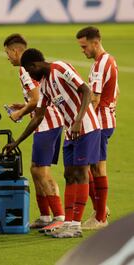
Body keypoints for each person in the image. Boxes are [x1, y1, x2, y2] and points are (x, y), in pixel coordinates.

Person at [3, 48, 101, 238]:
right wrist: (17, 141)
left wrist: (79, 120)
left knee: (80, 173)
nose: (30, 76)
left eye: (29, 72)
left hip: (86, 127)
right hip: (70, 132)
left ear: (34, 65)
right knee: (68, 174)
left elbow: (86, 90)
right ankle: (69, 223)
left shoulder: (60, 67)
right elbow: (38, 116)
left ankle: (75, 226)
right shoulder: (46, 85)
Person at [3, 34, 65, 233]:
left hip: (47, 123)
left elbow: (37, 99)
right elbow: (38, 97)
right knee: (35, 169)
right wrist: (23, 105)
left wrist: (19, 113)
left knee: (41, 170)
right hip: (49, 122)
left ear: (15, 51)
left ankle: (59, 217)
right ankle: (46, 216)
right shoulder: (29, 68)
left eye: (7, 53)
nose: (7, 58)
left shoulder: (25, 69)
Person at [76, 26, 119, 229]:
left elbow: (94, 99)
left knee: (97, 168)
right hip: (104, 119)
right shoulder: (105, 61)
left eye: (84, 46)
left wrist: (81, 121)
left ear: (95, 42)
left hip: (100, 123)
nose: (82, 50)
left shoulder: (101, 64)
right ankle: (100, 209)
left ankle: (100, 217)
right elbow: (115, 92)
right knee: (92, 166)